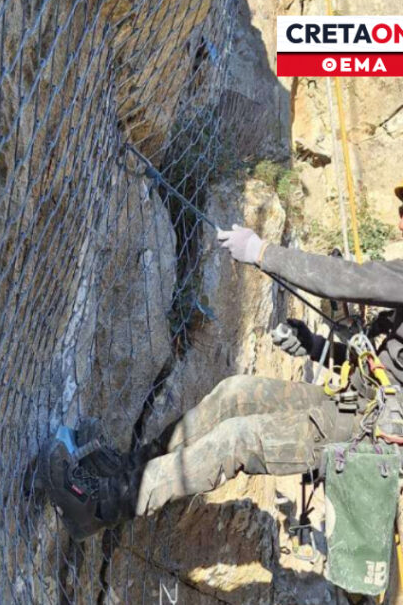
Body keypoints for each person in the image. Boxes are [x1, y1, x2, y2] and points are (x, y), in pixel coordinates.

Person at [42, 182, 403, 540]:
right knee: (235, 392)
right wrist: (314, 347)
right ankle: (127, 472)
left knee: (236, 439)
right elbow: (384, 365)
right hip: (353, 403)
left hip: (365, 433)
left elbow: (350, 280)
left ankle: (98, 506)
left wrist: (263, 252)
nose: (400, 222)